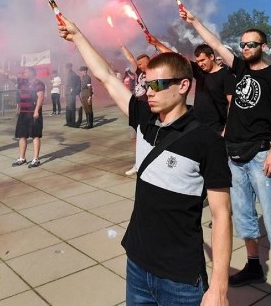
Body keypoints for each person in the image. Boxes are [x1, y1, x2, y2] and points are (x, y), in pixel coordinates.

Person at [58, 15, 232, 306]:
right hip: (137, 265)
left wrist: (219, 289)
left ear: (184, 86)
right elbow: (106, 76)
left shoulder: (207, 141)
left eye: (159, 84)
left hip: (180, 279)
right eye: (148, 84)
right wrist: (77, 35)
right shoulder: (144, 120)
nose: (149, 92)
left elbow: (221, 216)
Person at [182, 9, 271, 306]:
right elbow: (217, 43)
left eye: (251, 44)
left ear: (263, 46)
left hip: (261, 155)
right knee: (245, 216)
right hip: (233, 155)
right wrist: (194, 21)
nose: (245, 48)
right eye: (243, 44)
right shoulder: (239, 70)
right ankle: (253, 266)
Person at [148, 35, 236, 134]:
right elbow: (177, 58)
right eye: (198, 61)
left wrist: (226, 129)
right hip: (196, 125)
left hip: (217, 128)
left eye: (203, 60)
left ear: (211, 57)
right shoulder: (199, 71)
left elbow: (233, 105)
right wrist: (157, 43)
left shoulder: (226, 75)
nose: (200, 64)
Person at [0, 66, 45, 167]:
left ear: (32, 73)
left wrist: (36, 111)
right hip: (23, 113)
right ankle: (22, 158)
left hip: (33, 113)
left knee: (35, 135)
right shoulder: (23, 82)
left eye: (26, 72)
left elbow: (40, 97)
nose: (24, 74)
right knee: (22, 135)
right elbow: (9, 76)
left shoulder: (39, 83)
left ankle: (36, 159)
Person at [121, 47, 151, 176]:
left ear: (147, 63)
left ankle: (148, 163)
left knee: (147, 137)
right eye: (138, 64)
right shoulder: (139, 73)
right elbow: (130, 58)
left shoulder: (155, 74)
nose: (138, 66)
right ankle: (138, 163)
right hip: (137, 106)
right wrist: (122, 46)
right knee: (134, 135)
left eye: (140, 64)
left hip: (148, 109)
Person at [64, 62, 82, 127]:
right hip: (67, 93)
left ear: (71, 67)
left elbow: (77, 84)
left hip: (71, 93)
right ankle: (68, 121)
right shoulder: (66, 74)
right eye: (66, 67)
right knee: (68, 107)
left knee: (72, 107)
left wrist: (74, 91)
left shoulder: (74, 74)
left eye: (68, 67)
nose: (67, 69)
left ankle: (72, 121)